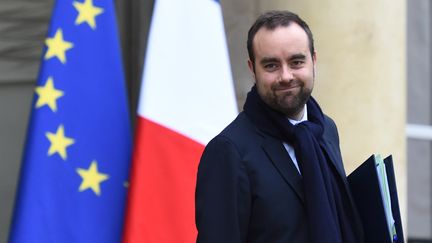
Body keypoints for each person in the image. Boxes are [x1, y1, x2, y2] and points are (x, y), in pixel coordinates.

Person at [195, 10, 365, 243]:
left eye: (296, 62)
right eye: (271, 65)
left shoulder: (326, 130)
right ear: (252, 68)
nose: (286, 76)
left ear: (313, 60)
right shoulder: (227, 152)